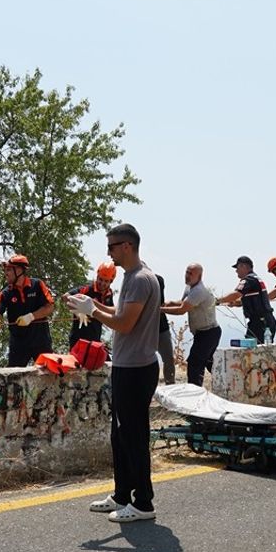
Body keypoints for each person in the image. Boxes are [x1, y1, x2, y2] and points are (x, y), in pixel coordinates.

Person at [67, 223, 160, 523]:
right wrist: (91, 304)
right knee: (119, 435)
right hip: (126, 365)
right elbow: (119, 316)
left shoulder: (140, 280)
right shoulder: (133, 278)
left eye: (112, 246)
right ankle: (122, 494)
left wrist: (93, 310)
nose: (108, 252)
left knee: (133, 435)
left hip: (136, 368)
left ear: (127, 246)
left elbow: (124, 324)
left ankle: (143, 502)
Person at [0, 254, 55, 367]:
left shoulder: (37, 285)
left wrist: (31, 317)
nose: (6, 273)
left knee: (49, 374)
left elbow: (49, 307)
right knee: (13, 378)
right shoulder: (6, 293)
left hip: (41, 341)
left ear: (19, 270)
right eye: (5, 270)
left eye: (9, 269)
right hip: (18, 344)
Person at [162, 263, 221, 386]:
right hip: (202, 333)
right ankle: (226, 383)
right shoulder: (189, 287)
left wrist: (160, 311)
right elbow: (183, 303)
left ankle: (195, 392)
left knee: (195, 364)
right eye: (187, 272)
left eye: (191, 274)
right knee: (209, 363)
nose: (187, 276)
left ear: (199, 276)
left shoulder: (198, 291)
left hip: (208, 333)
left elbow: (182, 310)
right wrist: (169, 303)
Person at [216, 256, 276, 344]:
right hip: (265, 320)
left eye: (237, 268)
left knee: (253, 350)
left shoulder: (249, 279)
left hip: (260, 322)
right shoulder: (255, 278)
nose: (236, 271)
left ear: (244, 266)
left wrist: (217, 300)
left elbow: (236, 294)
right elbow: (248, 299)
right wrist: (235, 303)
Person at [67, 261, 115, 348]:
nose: (102, 283)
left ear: (111, 281)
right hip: (78, 339)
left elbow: (111, 311)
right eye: (100, 279)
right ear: (97, 276)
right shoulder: (87, 288)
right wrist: (78, 313)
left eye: (106, 281)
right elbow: (66, 297)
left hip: (95, 341)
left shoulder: (109, 294)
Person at [155, 274, 175, 384]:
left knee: (168, 360)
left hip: (161, 326)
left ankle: (170, 385)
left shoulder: (157, 280)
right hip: (147, 328)